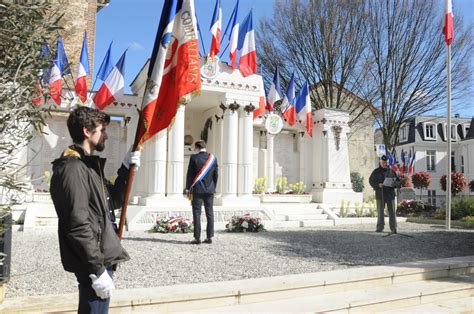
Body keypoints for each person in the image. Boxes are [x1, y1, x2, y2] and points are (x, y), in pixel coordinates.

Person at [50, 107, 141, 313]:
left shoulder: (89, 167)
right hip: (93, 262)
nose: (106, 135)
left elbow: (114, 201)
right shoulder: (72, 169)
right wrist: (96, 270)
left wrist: (126, 169)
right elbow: (77, 224)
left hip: (100, 257)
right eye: (102, 130)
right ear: (86, 131)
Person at [185, 140, 218, 244]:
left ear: (197, 147)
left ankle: (197, 238)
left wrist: (187, 187)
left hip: (197, 190)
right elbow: (216, 175)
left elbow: (189, 174)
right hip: (210, 190)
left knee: (196, 213)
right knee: (210, 213)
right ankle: (209, 237)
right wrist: (213, 187)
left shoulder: (194, 158)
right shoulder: (213, 158)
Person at [369, 155, 400, 234]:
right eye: (383, 162)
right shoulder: (376, 171)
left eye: (386, 162)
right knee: (380, 211)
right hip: (380, 194)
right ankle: (380, 227)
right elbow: (371, 181)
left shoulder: (391, 171)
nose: (384, 163)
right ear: (380, 162)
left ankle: (393, 228)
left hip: (390, 194)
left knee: (392, 212)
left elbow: (398, 182)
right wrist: (377, 185)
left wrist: (394, 184)